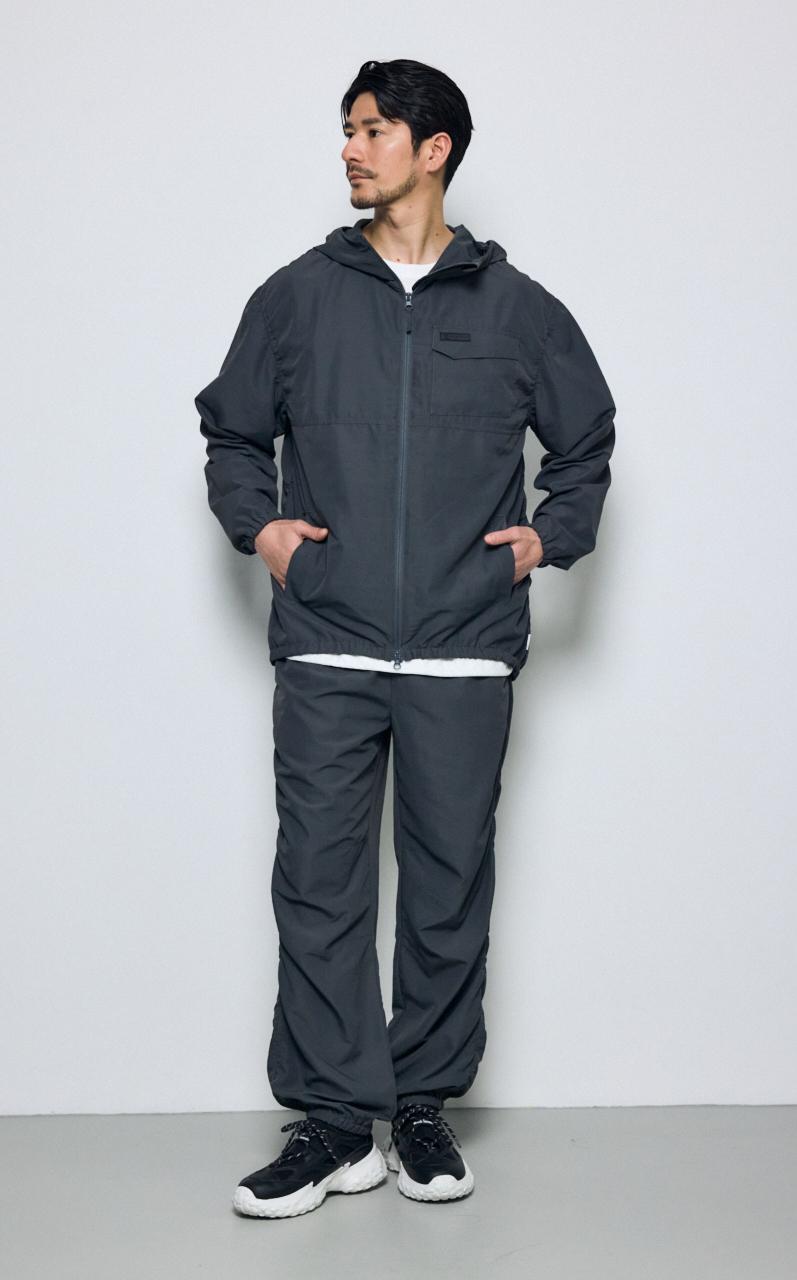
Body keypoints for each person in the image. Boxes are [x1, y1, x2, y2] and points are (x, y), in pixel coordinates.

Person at [195, 58, 616, 1219]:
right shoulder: (297, 296)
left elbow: (584, 443)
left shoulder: (519, 310)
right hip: (327, 641)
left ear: (434, 150)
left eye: (372, 129)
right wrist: (265, 532)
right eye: (347, 129)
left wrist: (545, 540)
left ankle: (420, 1104)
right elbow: (232, 432)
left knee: (444, 884)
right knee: (318, 886)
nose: (350, 148)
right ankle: (336, 1124)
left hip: (462, 644)